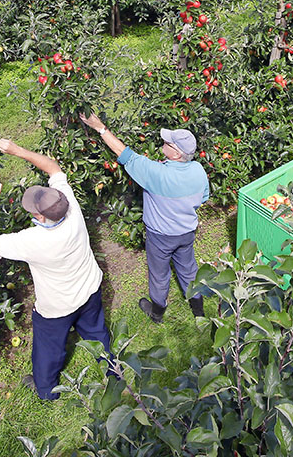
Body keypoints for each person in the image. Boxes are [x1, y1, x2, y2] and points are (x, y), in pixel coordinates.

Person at [0, 138, 117, 400]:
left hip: (58, 307)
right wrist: (16, 149)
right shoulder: (70, 209)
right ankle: (114, 371)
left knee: (48, 350)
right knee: (97, 333)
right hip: (89, 289)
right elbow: (54, 168)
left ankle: (46, 389)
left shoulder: (34, 241)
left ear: (40, 217)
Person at [80, 113, 209, 324]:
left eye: (167, 143)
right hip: (186, 232)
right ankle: (198, 311)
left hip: (161, 237)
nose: (163, 144)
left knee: (159, 274)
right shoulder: (198, 170)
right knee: (188, 268)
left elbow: (124, 154)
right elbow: (203, 197)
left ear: (176, 154)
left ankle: (157, 312)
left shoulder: (155, 173)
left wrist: (100, 128)